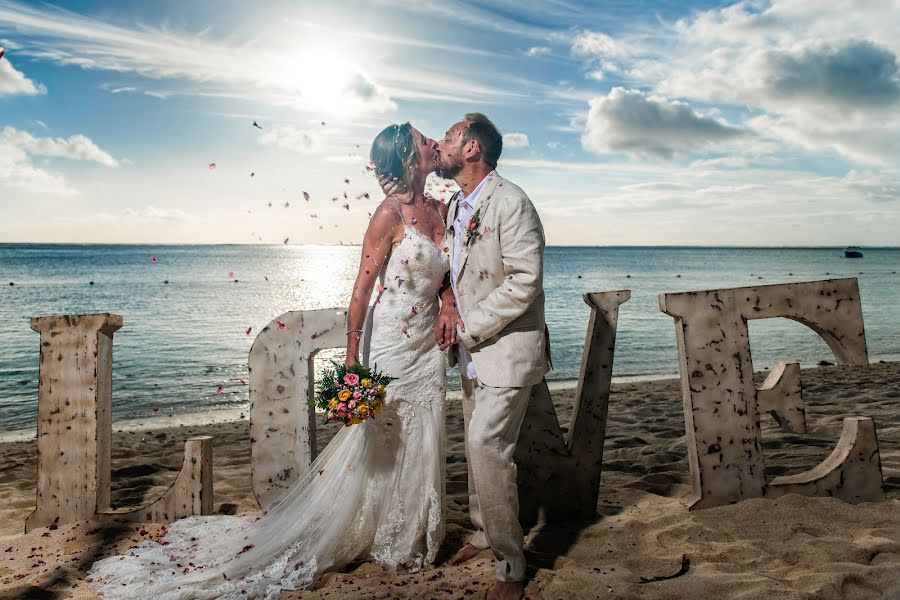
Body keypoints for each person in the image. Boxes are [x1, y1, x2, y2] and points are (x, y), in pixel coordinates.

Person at [86, 122, 454, 599]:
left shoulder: (442, 209)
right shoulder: (388, 215)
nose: (431, 144)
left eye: (430, 140)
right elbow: (362, 289)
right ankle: (377, 531)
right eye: (423, 141)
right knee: (382, 438)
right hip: (388, 341)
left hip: (427, 343)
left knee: (423, 429)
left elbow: (447, 269)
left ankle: (412, 532)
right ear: (407, 159)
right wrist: (350, 361)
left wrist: (447, 300)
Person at [434, 113, 551, 600]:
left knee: (486, 445)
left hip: (506, 348)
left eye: (448, 137)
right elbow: (454, 270)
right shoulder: (455, 206)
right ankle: (484, 531)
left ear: (471, 149)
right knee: (476, 444)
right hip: (470, 354)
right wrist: (446, 300)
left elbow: (526, 280)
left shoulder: (512, 201)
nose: (439, 144)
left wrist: (468, 324)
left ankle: (510, 567)